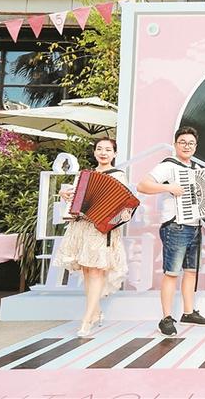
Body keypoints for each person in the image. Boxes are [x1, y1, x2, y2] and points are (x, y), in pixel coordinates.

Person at [137, 126, 205, 336]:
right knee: (171, 273)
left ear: (196, 146)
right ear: (175, 144)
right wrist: (169, 187)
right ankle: (166, 318)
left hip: (195, 225)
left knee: (191, 271)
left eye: (191, 143)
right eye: (183, 142)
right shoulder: (168, 166)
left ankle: (188, 312)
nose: (187, 146)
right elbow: (143, 185)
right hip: (175, 225)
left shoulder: (196, 168)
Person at [54, 137, 130, 337]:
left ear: (114, 153)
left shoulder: (119, 176)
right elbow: (74, 200)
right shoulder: (85, 175)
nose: (103, 153)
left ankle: (86, 320)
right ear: (95, 152)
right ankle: (95, 313)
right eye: (99, 149)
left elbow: (123, 205)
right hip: (82, 227)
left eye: (108, 149)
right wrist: (66, 195)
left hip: (101, 229)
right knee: (87, 270)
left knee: (95, 272)